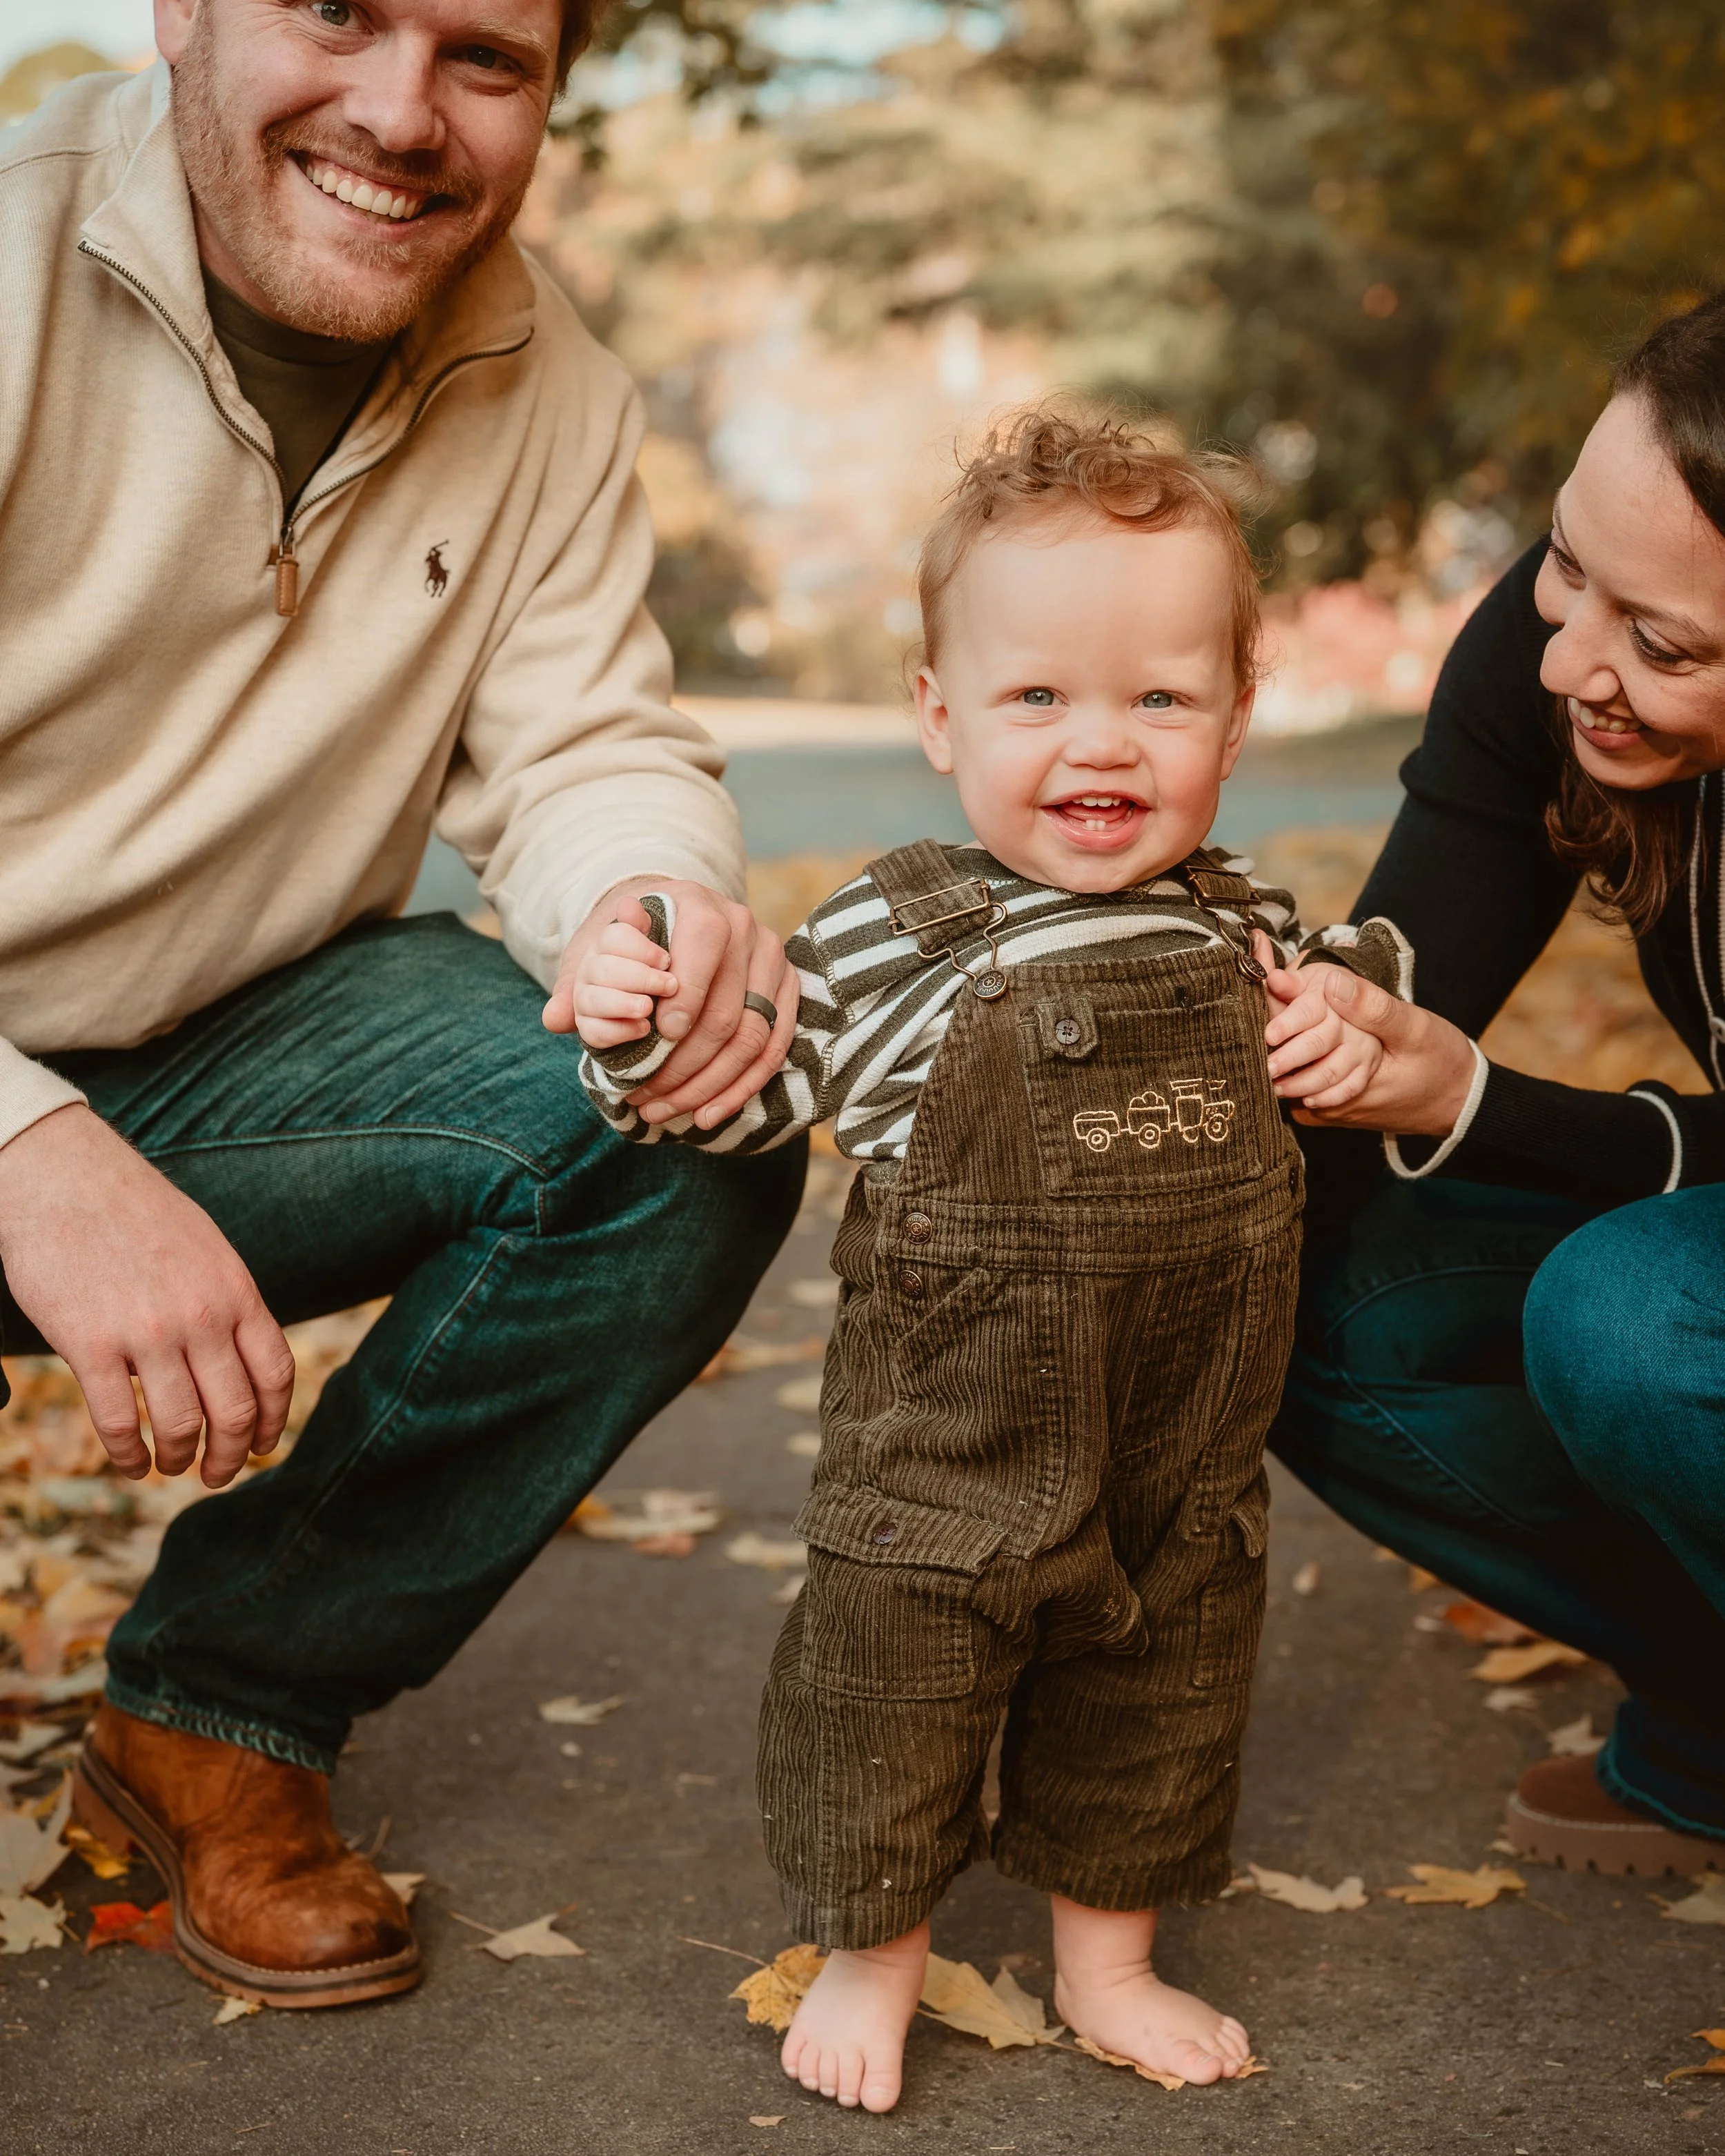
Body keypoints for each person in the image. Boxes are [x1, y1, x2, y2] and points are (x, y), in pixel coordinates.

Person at [3, 0, 805, 2008]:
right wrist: (23, 1141)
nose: (400, 113)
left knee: (679, 1119)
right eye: (340, 13)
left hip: (227, 1055)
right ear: (183, 10)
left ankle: (222, 1703)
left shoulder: (548, 382)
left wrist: (650, 913)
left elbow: (588, 743)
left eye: (484, 54)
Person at [576, 407, 1411, 2112]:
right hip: (944, 1453)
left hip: (1178, 1440)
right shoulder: (898, 928)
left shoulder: (1246, 923)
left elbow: (1369, 1003)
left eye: (1158, 698)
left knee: (1160, 1674)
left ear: (1235, 722)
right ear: (939, 715)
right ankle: (871, 1951)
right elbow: (749, 1095)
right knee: (895, 1680)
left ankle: (1108, 1955)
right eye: (1036, 697)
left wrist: (1348, 1024)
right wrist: (637, 1034)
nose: (1098, 744)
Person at [1261, 293, 1725, 1879]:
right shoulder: (1551, 659)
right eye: (1562, 565)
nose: (1569, 660)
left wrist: (1475, 1106)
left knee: (1637, 1314)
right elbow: (1399, 959)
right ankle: (1711, 1717)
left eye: (1659, 644)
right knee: (1288, 1283)